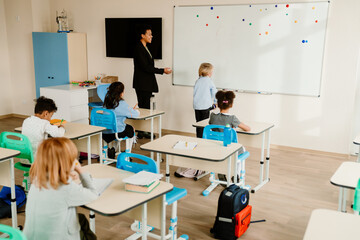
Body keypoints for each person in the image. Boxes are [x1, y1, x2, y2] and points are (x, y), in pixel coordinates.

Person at [23, 138, 98, 240]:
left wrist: (67, 174)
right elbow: (93, 194)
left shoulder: (38, 179)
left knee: (81, 219)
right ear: (67, 161)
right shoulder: (66, 188)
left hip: (31, 237)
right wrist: (81, 171)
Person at [133, 25, 172, 138]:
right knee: (143, 108)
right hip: (142, 83)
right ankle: (142, 131)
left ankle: (144, 131)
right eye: (149, 34)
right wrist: (162, 70)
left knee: (146, 107)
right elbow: (146, 67)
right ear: (142, 35)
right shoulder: (138, 48)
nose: (151, 36)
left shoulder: (145, 47)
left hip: (147, 83)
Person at [209, 90, 250, 182]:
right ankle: (236, 174)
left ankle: (222, 171)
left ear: (218, 104)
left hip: (216, 145)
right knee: (242, 150)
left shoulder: (212, 117)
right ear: (231, 104)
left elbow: (211, 125)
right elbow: (247, 128)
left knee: (225, 151)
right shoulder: (232, 118)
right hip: (229, 147)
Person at [103, 82, 139, 158]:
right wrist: (135, 110)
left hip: (105, 132)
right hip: (116, 132)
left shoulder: (106, 102)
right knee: (131, 129)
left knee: (121, 128)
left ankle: (113, 150)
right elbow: (135, 114)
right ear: (121, 93)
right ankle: (127, 154)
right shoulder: (121, 104)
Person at [193, 63, 217, 138]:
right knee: (205, 124)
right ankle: (205, 139)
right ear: (209, 73)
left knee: (198, 124)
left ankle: (199, 138)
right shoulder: (209, 81)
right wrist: (216, 103)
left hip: (197, 106)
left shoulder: (198, 81)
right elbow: (215, 93)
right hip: (205, 107)